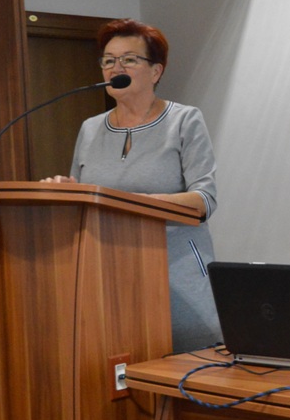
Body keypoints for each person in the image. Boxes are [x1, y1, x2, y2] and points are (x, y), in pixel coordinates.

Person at [41, 19, 221, 352]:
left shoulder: (184, 120)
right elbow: (87, 200)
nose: (115, 68)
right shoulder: (90, 128)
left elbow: (204, 200)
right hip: (109, 274)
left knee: (191, 364)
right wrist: (66, 190)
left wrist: (134, 202)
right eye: (108, 60)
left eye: (128, 59)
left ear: (156, 71)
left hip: (176, 270)